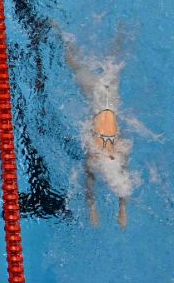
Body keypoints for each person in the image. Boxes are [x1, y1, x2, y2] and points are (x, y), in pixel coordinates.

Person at [58, 21, 152, 228]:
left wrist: (95, 210)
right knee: (113, 63)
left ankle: (60, 32)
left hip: (96, 97)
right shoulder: (119, 152)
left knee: (80, 64)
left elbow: (90, 182)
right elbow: (122, 186)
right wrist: (121, 210)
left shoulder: (95, 155)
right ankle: (121, 29)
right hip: (109, 99)